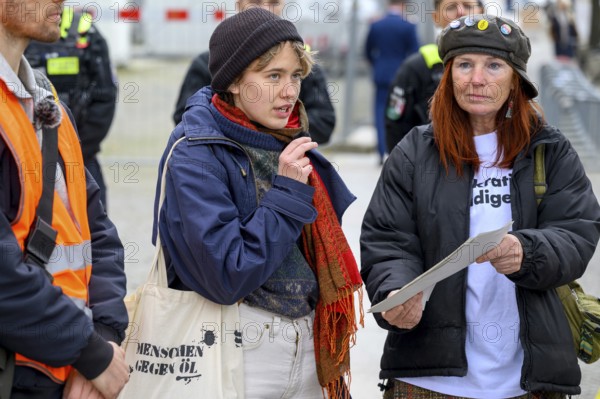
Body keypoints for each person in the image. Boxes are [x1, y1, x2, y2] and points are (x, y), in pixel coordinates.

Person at [361, 14, 600, 399]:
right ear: (449, 75)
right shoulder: (415, 151)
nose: (477, 79)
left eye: (493, 65)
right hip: (428, 379)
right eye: (464, 65)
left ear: (516, 79)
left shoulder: (550, 150)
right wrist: (395, 290)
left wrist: (527, 251)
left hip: (527, 380)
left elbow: (577, 233)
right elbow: (388, 239)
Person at [153, 8, 362, 399]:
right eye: (273, 76)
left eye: (295, 76)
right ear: (233, 81)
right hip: (234, 350)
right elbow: (226, 274)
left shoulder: (287, 140)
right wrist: (286, 193)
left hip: (307, 347)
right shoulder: (196, 153)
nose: (290, 92)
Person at [0, 0, 129, 398]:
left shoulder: (45, 99)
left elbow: (98, 234)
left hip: (66, 369)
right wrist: (90, 354)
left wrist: (103, 338)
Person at [172, 0, 337, 145]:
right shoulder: (205, 63)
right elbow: (186, 120)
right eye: (255, 1)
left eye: (273, 2)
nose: (265, 8)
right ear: (239, 4)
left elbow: (324, 122)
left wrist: (280, 132)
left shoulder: (301, 59)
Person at [25, 6, 118, 209]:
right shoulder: (16, 33)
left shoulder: (85, 30)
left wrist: (74, 148)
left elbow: (105, 96)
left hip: (81, 156)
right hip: (27, 159)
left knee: (93, 228)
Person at [384, 0, 483, 153]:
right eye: (451, 7)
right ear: (436, 17)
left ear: (482, 13)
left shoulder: (503, 64)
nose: (461, 12)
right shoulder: (416, 68)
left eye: (468, 6)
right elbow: (395, 127)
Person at [365, 0, 419, 163]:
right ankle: (396, 150)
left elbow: (367, 51)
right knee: (400, 113)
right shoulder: (408, 26)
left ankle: (382, 151)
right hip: (401, 75)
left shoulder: (377, 25)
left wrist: (377, 65)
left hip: (381, 75)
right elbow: (415, 52)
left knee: (380, 113)